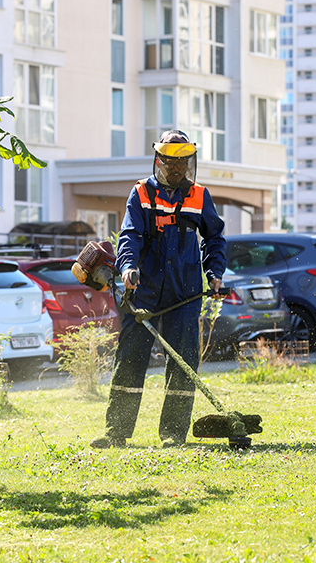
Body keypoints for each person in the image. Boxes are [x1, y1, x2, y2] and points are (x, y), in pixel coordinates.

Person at [90, 130, 227, 449]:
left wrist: (215, 272)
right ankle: (117, 433)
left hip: (186, 292)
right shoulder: (140, 194)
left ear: (189, 162)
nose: (176, 168)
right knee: (130, 359)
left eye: (182, 163)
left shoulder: (199, 195)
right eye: (170, 162)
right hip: (143, 291)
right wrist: (127, 268)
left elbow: (215, 238)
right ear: (159, 160)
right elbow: (129, 236)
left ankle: (172, 434)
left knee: (182, 361)